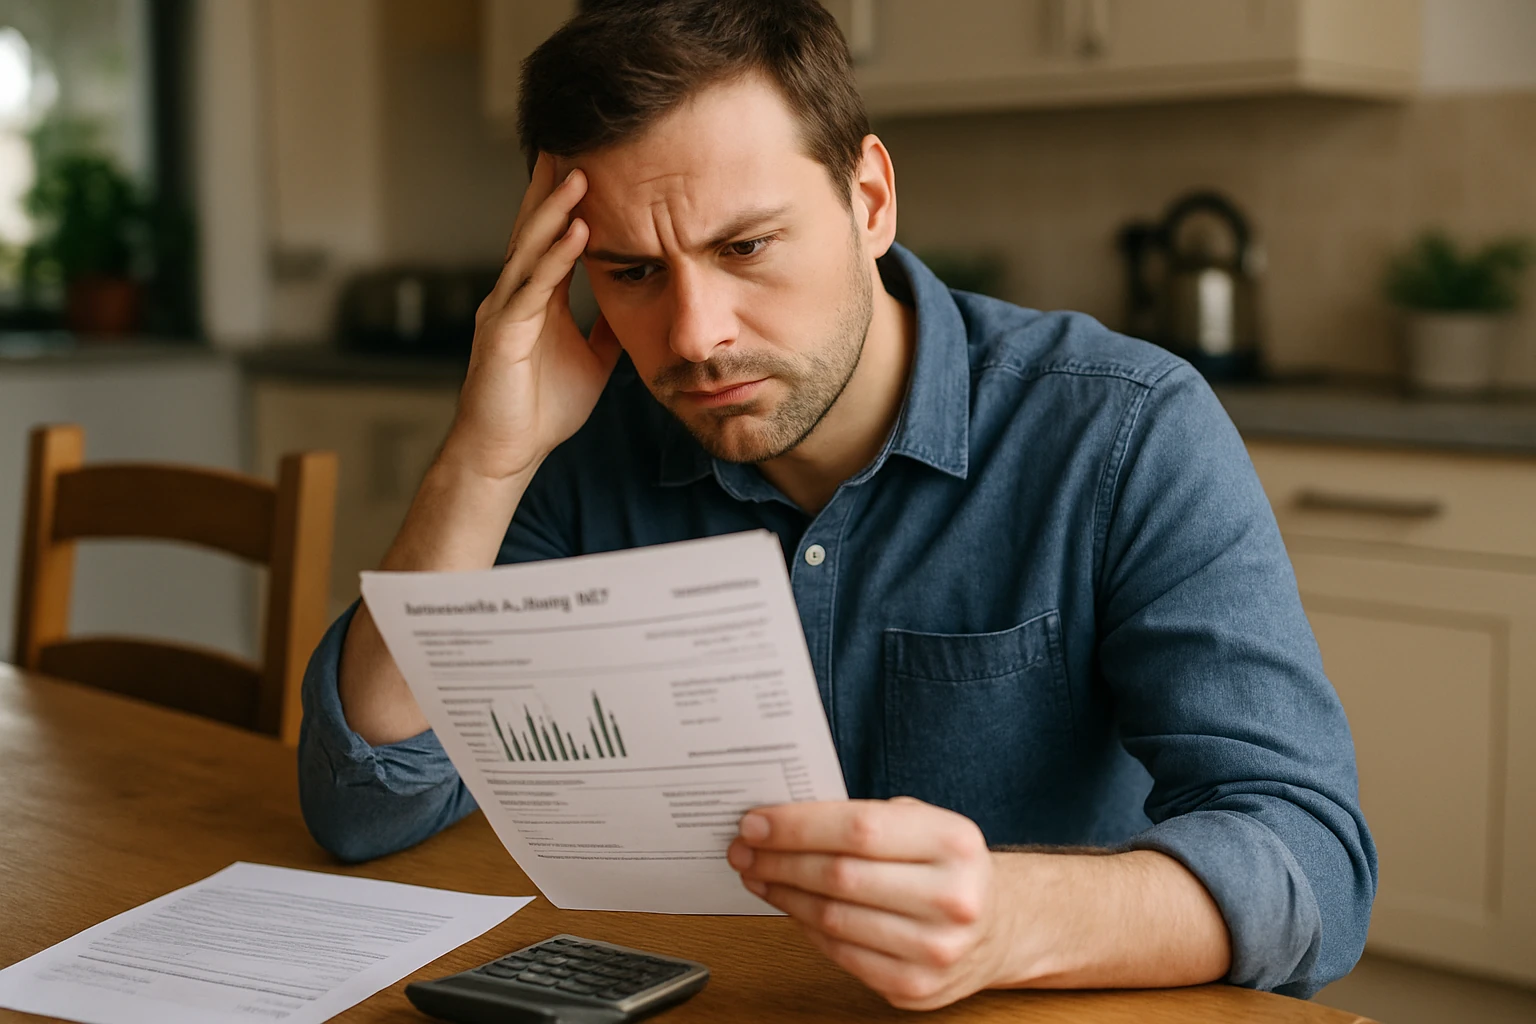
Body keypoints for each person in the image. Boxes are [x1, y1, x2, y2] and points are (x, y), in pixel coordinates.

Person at [297, 0, 1375, 1010]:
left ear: (869, 200)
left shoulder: (1123, 432)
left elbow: (1313, 862)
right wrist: (484, 460)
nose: (693, 335)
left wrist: (1009, 916)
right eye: (630, 272)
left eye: (745, 247)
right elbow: (366, 799)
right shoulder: (587, 441)